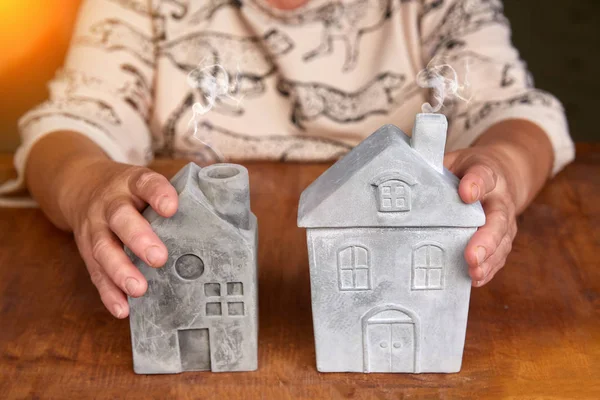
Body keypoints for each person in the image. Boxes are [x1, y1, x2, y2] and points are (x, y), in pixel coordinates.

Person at [1, 0, 574, 318]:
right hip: (186, 228)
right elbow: (74, 120)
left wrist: (505, 166)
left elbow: (515, 111)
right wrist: (86, 185)